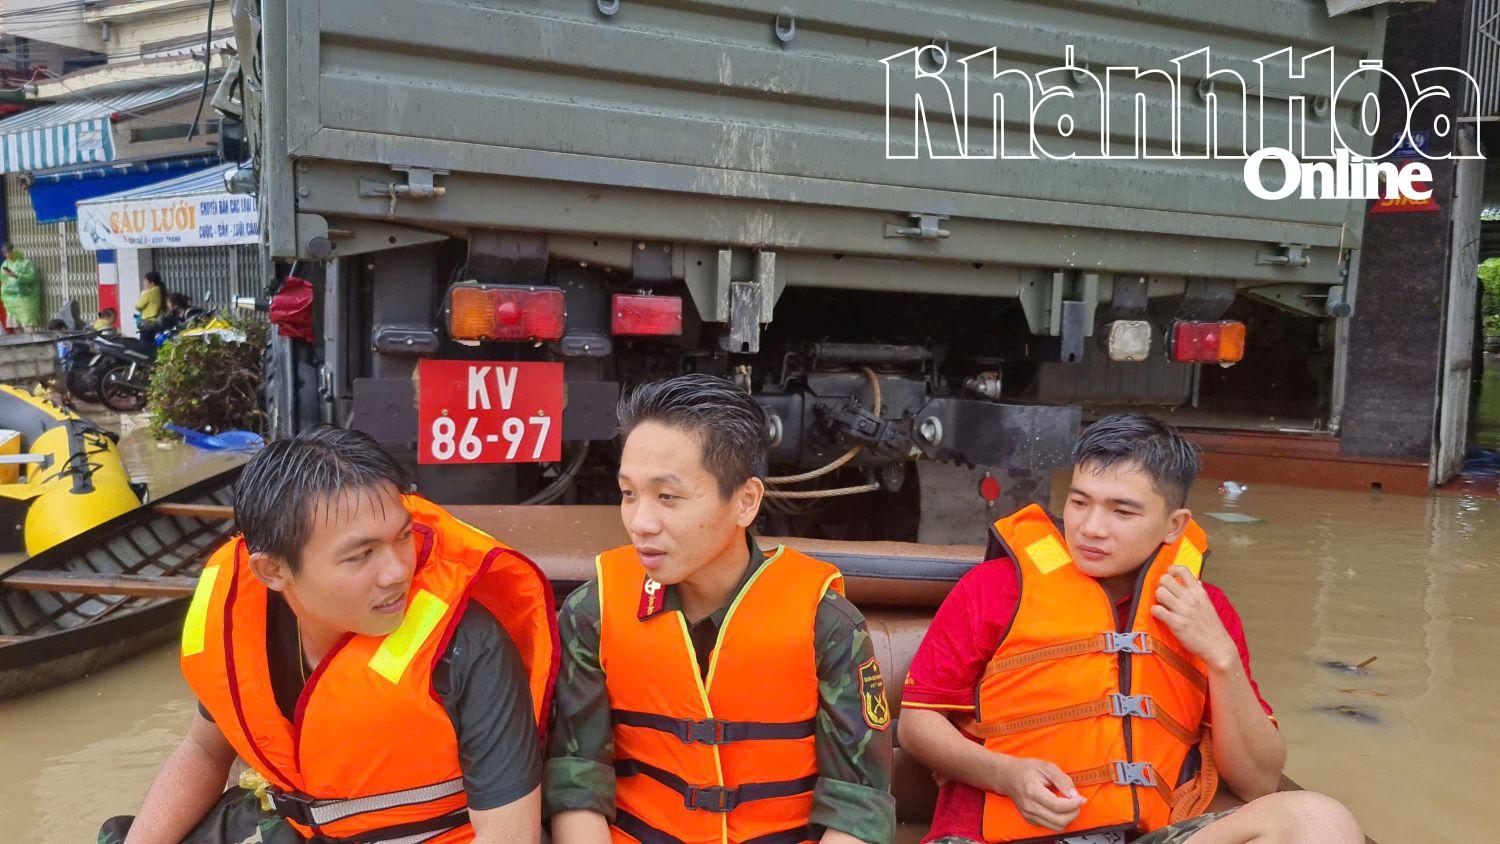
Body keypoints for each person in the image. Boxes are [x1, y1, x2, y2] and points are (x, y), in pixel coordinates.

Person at [898, 414, 1363, 844]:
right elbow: (918, 725)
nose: (1091, 528)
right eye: (1080, 503)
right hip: (998, 836)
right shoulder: (994, 587)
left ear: (1173, 525)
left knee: (1318, 818)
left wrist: (1220, 658)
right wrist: (1006, 775)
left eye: (1122, 512)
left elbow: (1259, 781)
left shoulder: (1205, 610)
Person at [109, 425, 559, 844]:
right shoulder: (245, 627)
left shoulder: (469, 646)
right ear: (273, 570)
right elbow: (205, 753)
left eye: (403, 537)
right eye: (361, 555)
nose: (397, 571)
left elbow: (510, 836)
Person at [545, 374, 895, 844]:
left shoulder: (825, 622)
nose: (640, 523)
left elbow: (858, 807)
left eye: (667, 497)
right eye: (629, 493)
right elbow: (575, 785)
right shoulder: (594, 611)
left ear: (745, 501)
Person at [0, 242, 41, 332]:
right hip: (10, 299)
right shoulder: (5, 265)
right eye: (5, 253)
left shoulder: (25, 263)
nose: (7, 255)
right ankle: (21, 345)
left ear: (14, 251)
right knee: (15, 324)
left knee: (28, 322)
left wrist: (16, 275)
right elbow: (3, 280)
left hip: (25, 297)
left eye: (9, 252)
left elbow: (31, 278)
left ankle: (31, 344)